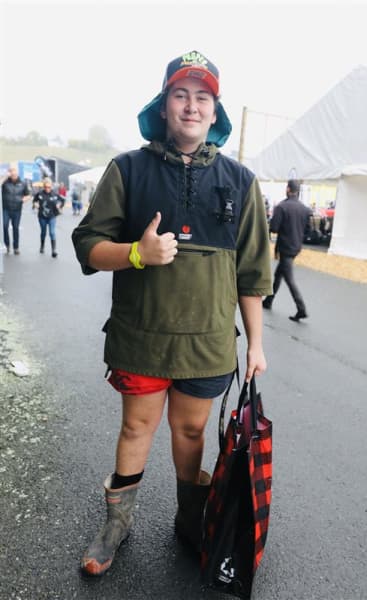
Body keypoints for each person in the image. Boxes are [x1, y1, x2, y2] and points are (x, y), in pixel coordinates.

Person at [72, 49, 272, 577]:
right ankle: (117, 523)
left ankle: (190, 519)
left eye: (202, 97)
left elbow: (251, 274)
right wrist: (137, 253)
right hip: (141, 339)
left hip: (207, 343)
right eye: (180, 95)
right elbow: (87, 244)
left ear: (215, 112)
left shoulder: (241, 182)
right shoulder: (128, 170)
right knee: (137, 428)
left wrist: (255, 344)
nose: (190, 106)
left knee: (191, 433)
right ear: (163, 107)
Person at [263, 179, 312, 321]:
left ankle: (301, 308)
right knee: (280, 274)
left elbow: (274, 228)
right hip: (296, 246)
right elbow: (308, 230)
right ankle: (268, 301)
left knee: (289, 279)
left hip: (285, 246)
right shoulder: (304, 209)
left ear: (288, 189)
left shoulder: (282, 207)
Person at [1, 165, 31, 255]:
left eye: (15, 171)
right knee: (5, 227)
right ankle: (7, 246)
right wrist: (6, 176)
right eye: (11, 172)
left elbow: (28, 195)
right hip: (6, 209)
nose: (13, 173)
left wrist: (24, 199)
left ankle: (16, 247)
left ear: (17, 173)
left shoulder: (22, 183)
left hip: (17, 209)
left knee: (15, 228)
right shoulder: (5, 182)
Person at [32, 178, 65, 257]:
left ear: (51, 187)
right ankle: (42, 246)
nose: (47, 189)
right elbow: (34, 201)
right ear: (43, 186)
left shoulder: (54, 194)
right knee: (43, 232)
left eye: (49, 187)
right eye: (46, 187)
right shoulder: (39, 194)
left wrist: (59, 206)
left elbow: (62, 201)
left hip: (52, 217)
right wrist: (35, 205)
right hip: (42, 217)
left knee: (52, 232)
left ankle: (54, 250)